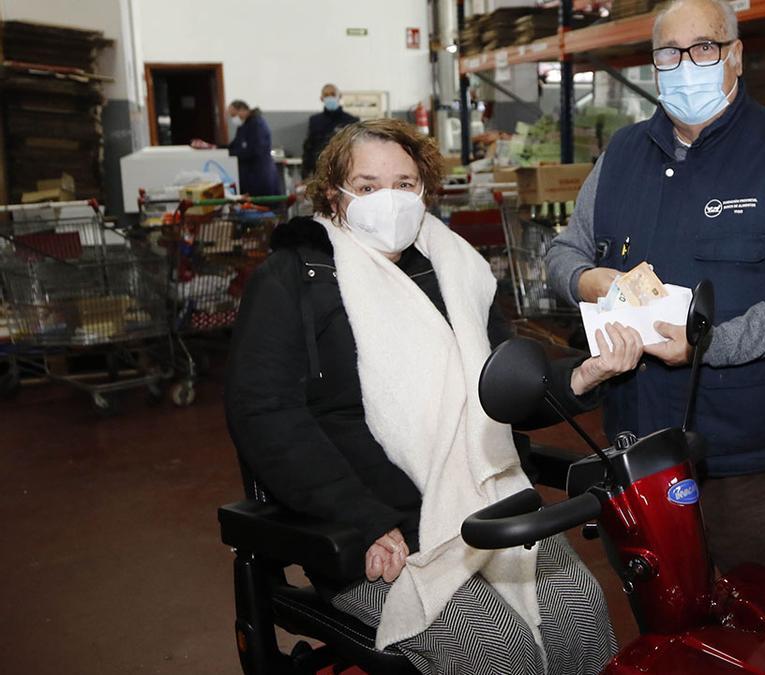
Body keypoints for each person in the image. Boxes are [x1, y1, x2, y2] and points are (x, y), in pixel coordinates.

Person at [225, 119, 635, 673]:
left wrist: (580, 378)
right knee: (499, 650)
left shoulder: (453, 268)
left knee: (584, 613)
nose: (388, 200)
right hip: (372, 526)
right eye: (368, 187)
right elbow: (265, 414)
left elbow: (503, 387)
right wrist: (364, 518)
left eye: (405, 184)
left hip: (486, 503)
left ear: (424, 189)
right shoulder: (293, 277)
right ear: (332, 193)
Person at [546, 0, 765, 584]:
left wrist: (711, 343)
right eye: (669, 52)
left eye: (704, 48)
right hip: (641, 452)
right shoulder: (622, 155)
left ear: (735, 56)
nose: (686, 63)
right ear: (654, 66)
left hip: (752, 457)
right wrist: (587, 278)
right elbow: (563, 252)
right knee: (666, 624)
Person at [192, 99, 281, 196]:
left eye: (234, 115)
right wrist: (212, 147)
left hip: (259, 174)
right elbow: (233, 146)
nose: (233, 119)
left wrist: (231, 153)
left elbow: (253, 151)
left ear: (243, 110)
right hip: (247, 174)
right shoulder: (243, 126)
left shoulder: (257, 125)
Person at [303, 83, 359, 178]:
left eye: (333, 94)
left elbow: (356, 147)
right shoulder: (315, 121)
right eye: (326, 95)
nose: (330, 98)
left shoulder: (351, 121)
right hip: (319, 171)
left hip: (344, 169)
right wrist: (305, 173)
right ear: (321, 98)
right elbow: (309, 147)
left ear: (339, 96)